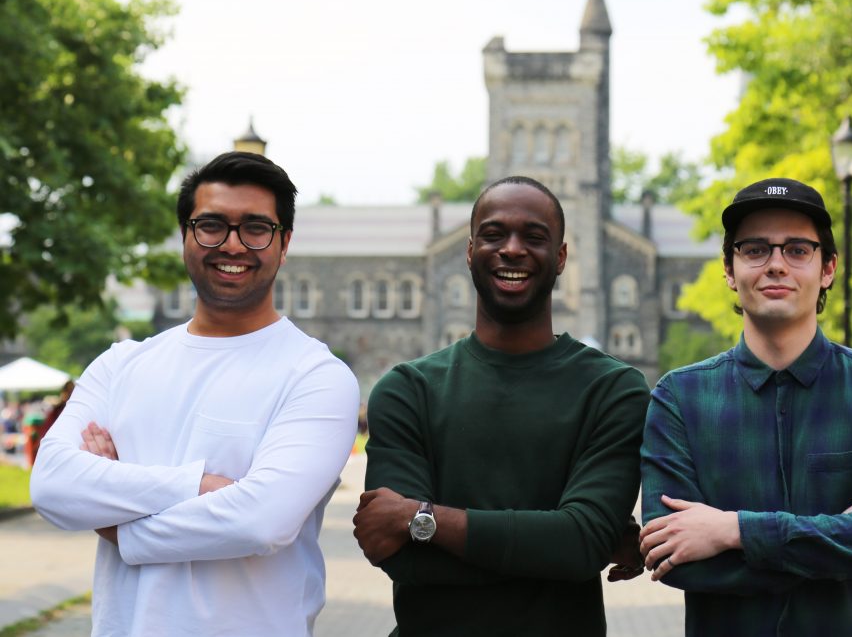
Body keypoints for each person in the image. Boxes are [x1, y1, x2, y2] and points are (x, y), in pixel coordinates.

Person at [30, 151, 360, 636]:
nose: (232, 245)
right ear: (185, 234)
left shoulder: (316, 376)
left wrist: (114, 516)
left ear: (284, 243)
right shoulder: (122, 364)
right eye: (211, 225)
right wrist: (198, 485)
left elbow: (259, 523)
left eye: (255, 228)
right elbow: (52, 485)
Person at [353, 176, 650, 636]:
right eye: (494, 234)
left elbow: (580, 546)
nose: (512, 249)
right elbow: (399, 555)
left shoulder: (613, 390)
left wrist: (419, 517)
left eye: (534, 237)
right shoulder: (407, 389)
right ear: (469, 251)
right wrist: (561, 547)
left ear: (562, 257)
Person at [640, 177, 852, 636]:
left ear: (828, 268)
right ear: (730, 270)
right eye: (755, 249)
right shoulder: (679, 397)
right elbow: (671, 558)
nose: (776, 264)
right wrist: (842, 541)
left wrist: (731, 531)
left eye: (797, 249)